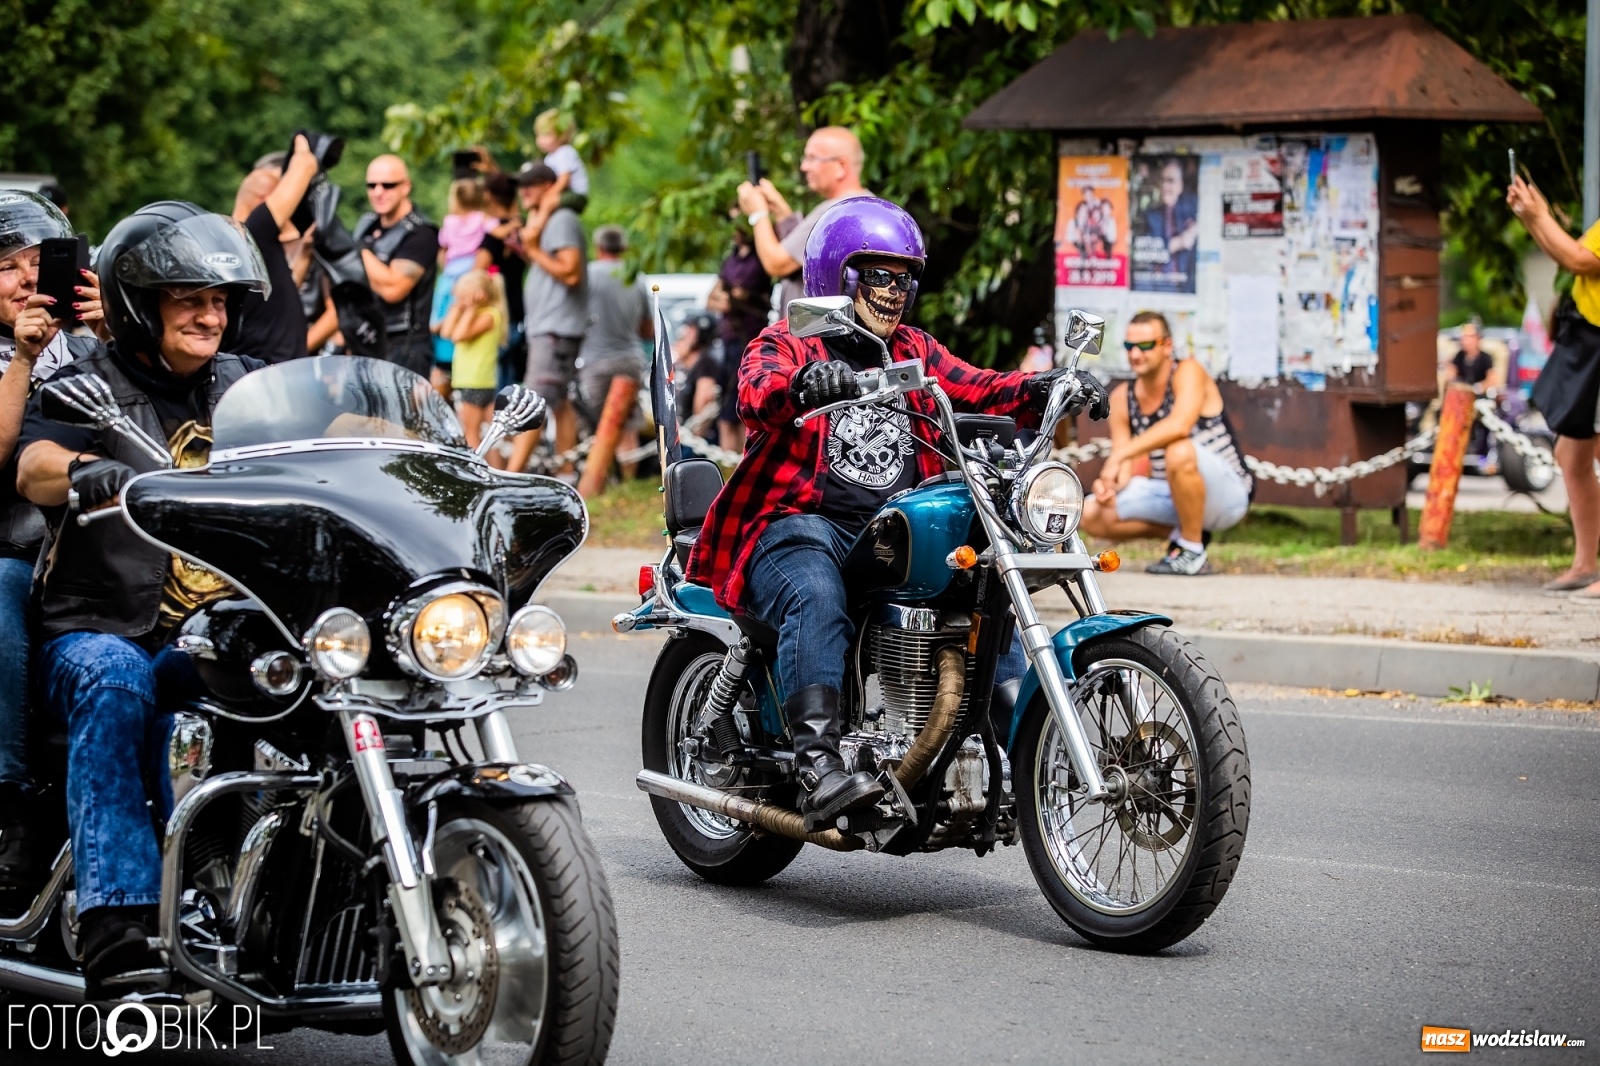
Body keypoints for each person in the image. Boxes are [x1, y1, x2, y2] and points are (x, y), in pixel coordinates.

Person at [685, 197, 1107, 830]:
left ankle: (1017, 753)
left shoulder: (911, 349)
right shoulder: (789, 342)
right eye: (878, 275)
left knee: (982, 587)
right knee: (815, 592)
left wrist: (1043, 387)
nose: (893, 291)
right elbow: (756, 389)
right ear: (840, 276)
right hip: (797, 525)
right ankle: (819, 765)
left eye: (903, 277)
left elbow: (977, 385)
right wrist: (803, 386)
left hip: (888, 533)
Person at [14, 201, 267, 995]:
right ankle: (116, 926)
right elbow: (33, 465)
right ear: (139, 304)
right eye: (187, 298)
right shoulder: (90, 379)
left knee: (300, 676)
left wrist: (408, 447)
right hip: (98, 629)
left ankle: (282, 892)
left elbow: (322, 435)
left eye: (219, 299)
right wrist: (82, 471)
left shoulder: (247, 386)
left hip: (208, 630)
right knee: (114, 680)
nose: (209, 314)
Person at [0, 191, 104, 900]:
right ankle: (9, 801)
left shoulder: (98, 343)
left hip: (97, 541)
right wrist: (25, 358)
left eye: (40, 263)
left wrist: (120, 327)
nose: (27, 279)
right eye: (9, 266)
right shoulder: (18, 352)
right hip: (14, 544)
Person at [1078, 311, 1252, 575]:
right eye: (1129, 346)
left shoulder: (1188, 371)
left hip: (1227, 495)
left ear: (1167, 345)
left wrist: (1119, 455)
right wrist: (1109, 484)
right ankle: (1185, 536)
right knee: (1090, 511)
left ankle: (1192, 552)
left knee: (1178, 449)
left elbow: (1179, 425)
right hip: (1172, 494)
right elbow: (1124, 469)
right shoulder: (1123, 397)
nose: (1135, 354)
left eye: (1145, 345)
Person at [1508, 172, 1600, 596]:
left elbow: (1582, 262)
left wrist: (1540, 214)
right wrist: (1531, 218)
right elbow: (1571, 256)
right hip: (1586, 341)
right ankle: (1585, 565)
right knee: (1570, 453)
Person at [736, 126, 872, 312]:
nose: (804, 166)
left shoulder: (836, 212)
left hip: (812, 337)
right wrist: (782, 212)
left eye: (812, 158)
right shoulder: (865, 205)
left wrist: (758, 214)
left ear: (841, 166)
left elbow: (777, 263)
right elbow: (807, 256)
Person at [506, 163, 587, 475]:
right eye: (521, 184)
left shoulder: (562, 219)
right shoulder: (548, 220)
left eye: (532, 183)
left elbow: (570, 272)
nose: (524, 190)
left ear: (550, 186)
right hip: (551, 326)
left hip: (556, 328)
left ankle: (509, 477)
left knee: (532, 401)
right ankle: (567, 472)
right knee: (558, 401)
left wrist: (533, 249)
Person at [230, 135, 320, 363]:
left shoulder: (235, 245)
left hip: (274, 374)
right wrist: (302, 144)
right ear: (266, 200)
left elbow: (271, 296)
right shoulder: (254, 232)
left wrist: (305, 255)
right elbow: (306, 165)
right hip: (267, 379)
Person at [574, 224, 650, 475]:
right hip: (630, 358)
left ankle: (603, 481)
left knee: (597, 426)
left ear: (598, 248)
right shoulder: (636, 277)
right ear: (623, 248)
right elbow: (647, 329)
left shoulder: (588, 274)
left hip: (595, 360)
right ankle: (628, 481)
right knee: (626, 425)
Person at [355, 154, 440, 377]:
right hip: (367, 339)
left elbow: (393, 290)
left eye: (388, 185)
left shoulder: (421, 233)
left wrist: (357, 249)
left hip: (406, 348)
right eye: (371, 185)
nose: (378, 192)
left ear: (406, 187)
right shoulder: (366, 226)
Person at [706, 222, 769, 452]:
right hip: (729, 339)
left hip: (750, 341)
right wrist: (730, 297)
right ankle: (727, 463)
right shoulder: (730, 260)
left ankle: (742, 462)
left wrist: (734, 297)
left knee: (745, 407)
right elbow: (712, 298)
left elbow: (741, 296)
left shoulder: (759, 259)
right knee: (726, 409)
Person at [431, 177, 495, 392]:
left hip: (449, 277)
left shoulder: (450, 222)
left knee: (444, 321)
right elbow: (497, 231)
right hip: (471, 274)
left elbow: (442, 250)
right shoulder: (483, 218)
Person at [440, 268, 507, 458]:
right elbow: (446, 333)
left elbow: (459, 335)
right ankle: (496, 476)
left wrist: (470, 309)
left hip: (475, 382)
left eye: (463, 298)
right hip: (473, 381)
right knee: (489, 436)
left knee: (471, 434)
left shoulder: (489, 315)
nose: (460, 303)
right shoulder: (473, 314)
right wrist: (456, 308)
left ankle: (477, 475)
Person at [474, 174, 528, 386]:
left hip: (495, 314)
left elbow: (476, 272)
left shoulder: (492, 237)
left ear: (489, 196)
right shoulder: (521, 229)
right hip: (517, 310)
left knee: (493, 381)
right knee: (511, 381)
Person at [533, 109, 589, 215]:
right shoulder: (549, 158)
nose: (541, 140)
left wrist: (548, 195)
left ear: (562, 135)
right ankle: (530, 228)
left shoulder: (565, 152)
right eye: (539, 135)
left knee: (547, 203)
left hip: (576, 195)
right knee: (537, 204)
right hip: (564, 193)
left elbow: (564, 180)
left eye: (547, 135)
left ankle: (535, 229)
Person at [673, 310, 722, 427]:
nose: (684, 333)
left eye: (690, 328)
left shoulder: (706, 363)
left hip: (687, 438)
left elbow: (702, 407)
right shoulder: (682, 362)